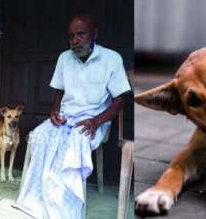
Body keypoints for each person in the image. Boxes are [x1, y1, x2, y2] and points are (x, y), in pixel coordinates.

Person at [15, 13, 131, 219]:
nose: (75, 41)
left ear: (94, 33)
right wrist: (54, 111)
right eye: (71, 36)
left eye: (80, 34)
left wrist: (97, 121)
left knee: (75, 142)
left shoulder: (112, 59)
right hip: (66, 116)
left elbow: (120, 99)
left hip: (94, 120)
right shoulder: (64, 58)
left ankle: (65, 206)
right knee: (40, 135)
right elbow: (59, 93)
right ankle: (35, 198)